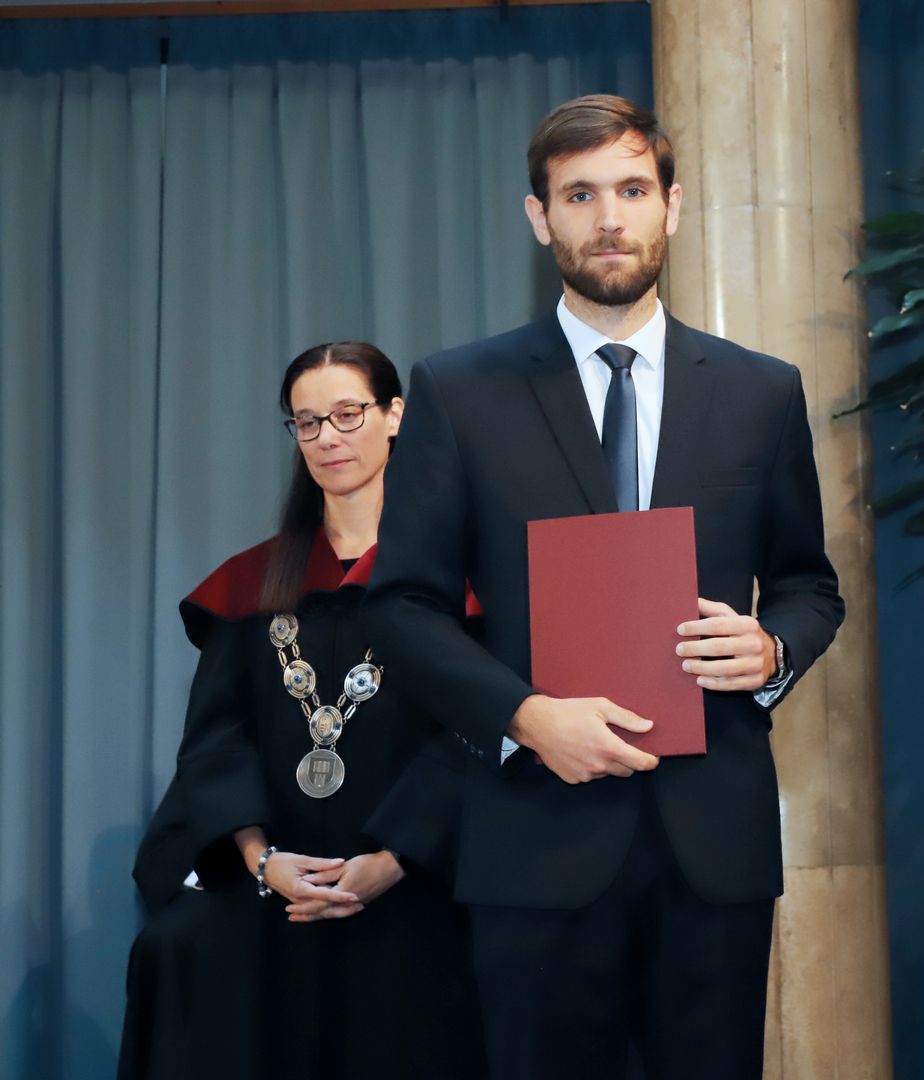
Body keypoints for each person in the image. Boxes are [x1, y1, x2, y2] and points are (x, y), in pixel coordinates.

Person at [361, 94, 843, 1080]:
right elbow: (403, 607)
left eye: (631, 190)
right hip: (533, 837)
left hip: (714, 845)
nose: (609, 219)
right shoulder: (459, 391)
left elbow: (808, 585)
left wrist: (773, 649)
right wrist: (525, 716)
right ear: (539, 218)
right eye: (579, 195)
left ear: (674, 204)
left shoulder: (761, 391)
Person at [118, 343, 484, 1080]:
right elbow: (217, 740)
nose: (327, 438)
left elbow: (470, 739)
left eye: (348, 414)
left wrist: (393, 861)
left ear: (394, 416)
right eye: (307, 421)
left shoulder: (460, 581)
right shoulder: (254, 582)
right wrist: (263, 862)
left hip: (417, 871)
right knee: (179, 948)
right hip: (277, 880)